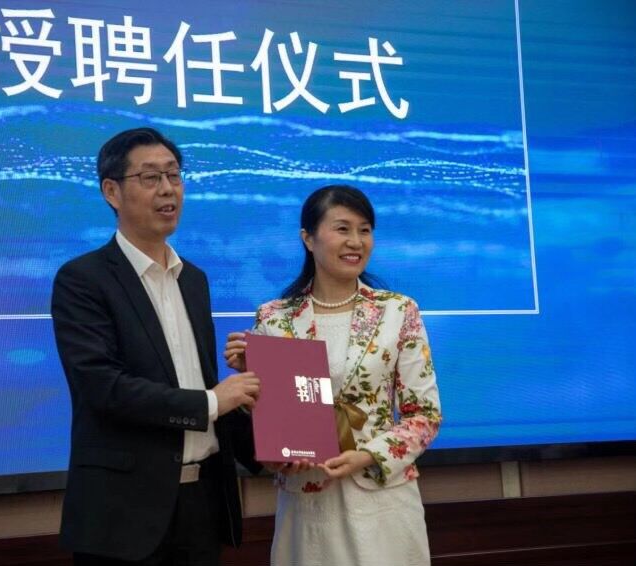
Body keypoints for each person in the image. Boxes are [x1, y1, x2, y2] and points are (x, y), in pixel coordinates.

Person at [51, 127, 262, 566]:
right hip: (124, 515)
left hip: (202, 507)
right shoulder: (83, 280)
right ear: (112, 192)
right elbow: (102, 386)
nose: (168, 189)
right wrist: (212, 401)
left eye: (174, 175)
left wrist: (267, 442)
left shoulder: (194, 280)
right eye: (150, 178)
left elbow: (197, 382)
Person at [223, 185, 442, 566]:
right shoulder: (275, 318)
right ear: (308, 239)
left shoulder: (399, 311)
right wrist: (250, 382)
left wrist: (367, 455)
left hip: (381, 497)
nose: (356, 241)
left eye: (365, 230)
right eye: (342, 229)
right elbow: (267, 420)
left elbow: (425, 415)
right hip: (307, 501)